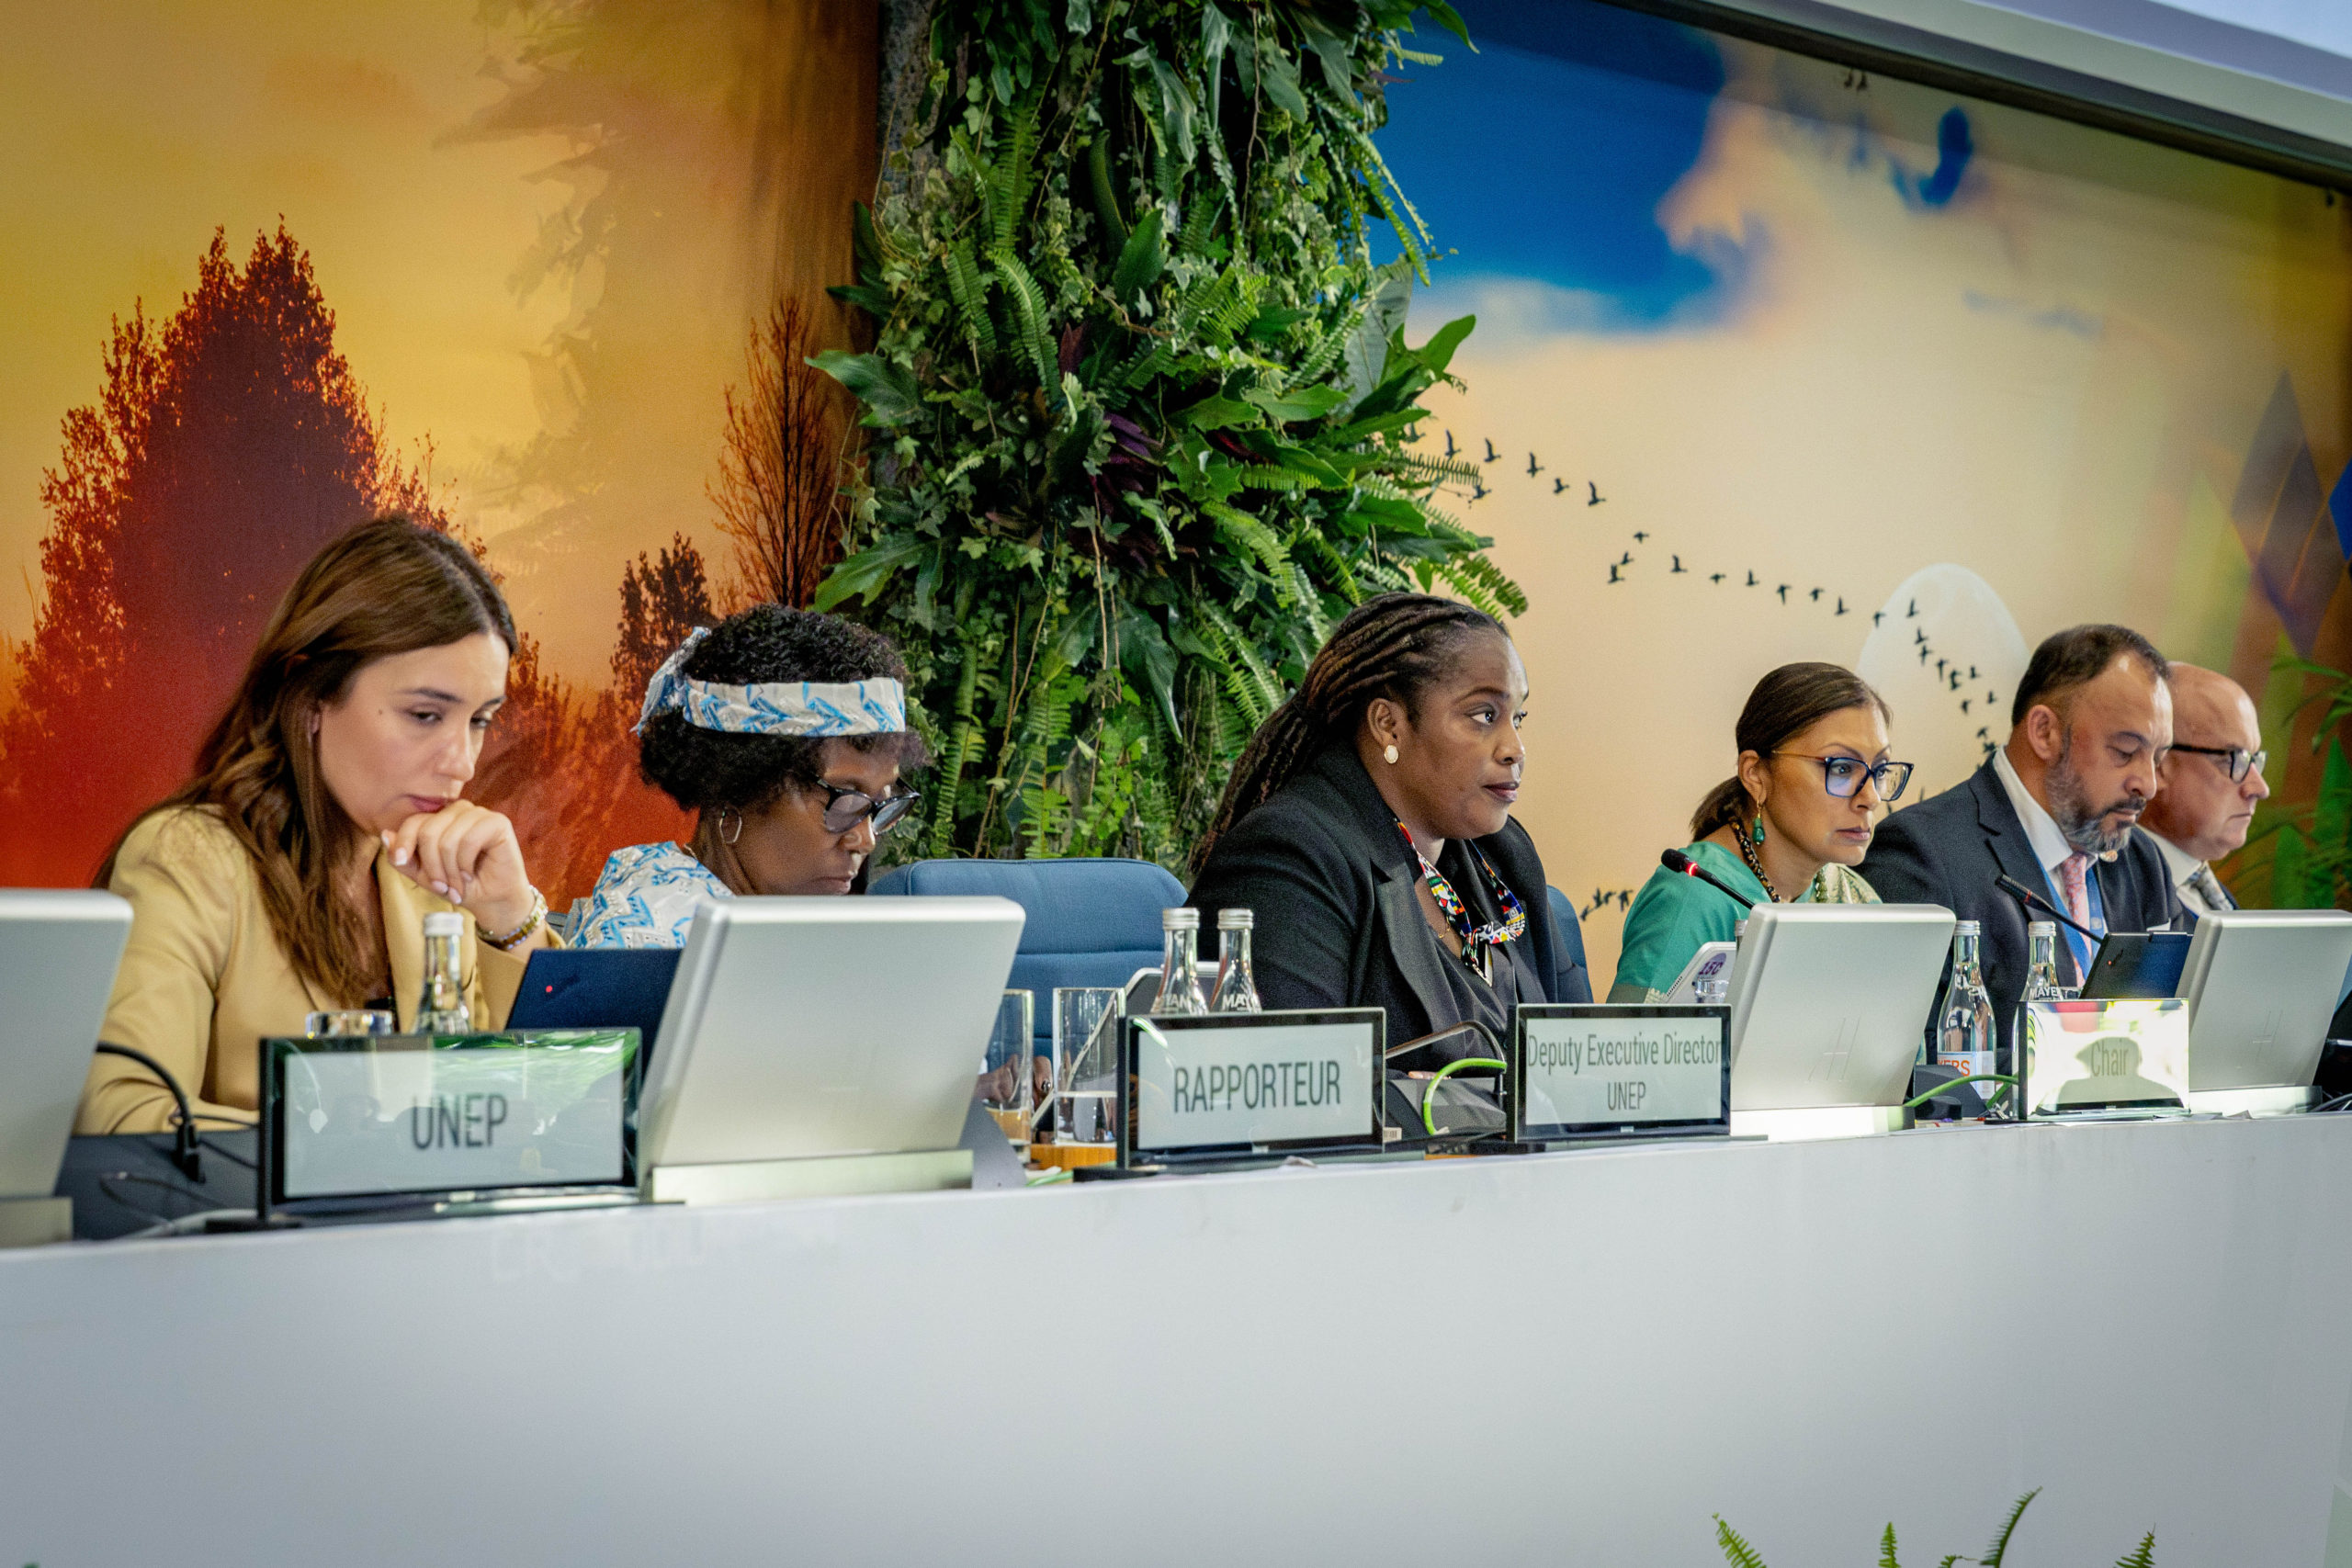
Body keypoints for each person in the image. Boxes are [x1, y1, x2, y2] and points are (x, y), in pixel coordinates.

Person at [78, 519, 557, 1134]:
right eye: (425, 714)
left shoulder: (437, 879)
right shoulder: (188, 857)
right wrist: (338, 1152)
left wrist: (510, 921)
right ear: (309, 699)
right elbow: (122, 1113)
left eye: (480, 721)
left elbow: (542, 1115)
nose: (462, 762)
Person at [1185, 593, 1589, 1066]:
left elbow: (1579, 1058)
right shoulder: (1288, 857)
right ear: (1389, 724)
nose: (1515, 749)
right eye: (1484, 716)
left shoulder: (1503, 855)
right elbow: (1289, 1085)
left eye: (1517, 718)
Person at [1862, 624, 2179, 1037]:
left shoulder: (2141, 862)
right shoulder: (1922, 855)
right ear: (2044, 732)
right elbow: (1919, 1059)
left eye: (2158, 758)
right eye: (2125, 751)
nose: (2148, 784)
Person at [571, 604, 927, 947]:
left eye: (879, 805)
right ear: (736, 787)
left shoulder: (769, 919)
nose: (865, 840)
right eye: (846, 801)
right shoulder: (651, 942)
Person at [1611, 663, 1908, 1002]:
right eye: (1841, 768)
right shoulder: (1693, 898)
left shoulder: (1853, 897)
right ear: (1755, 774)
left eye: (1879, 771)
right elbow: (1636, 1036)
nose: (1871, 797)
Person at [2136, 664, 2269, 919]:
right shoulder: (2103, 892)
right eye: (2232, 758)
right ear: (2158, 762)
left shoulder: (2201, 885)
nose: (2260, 788)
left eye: (2254, 759)